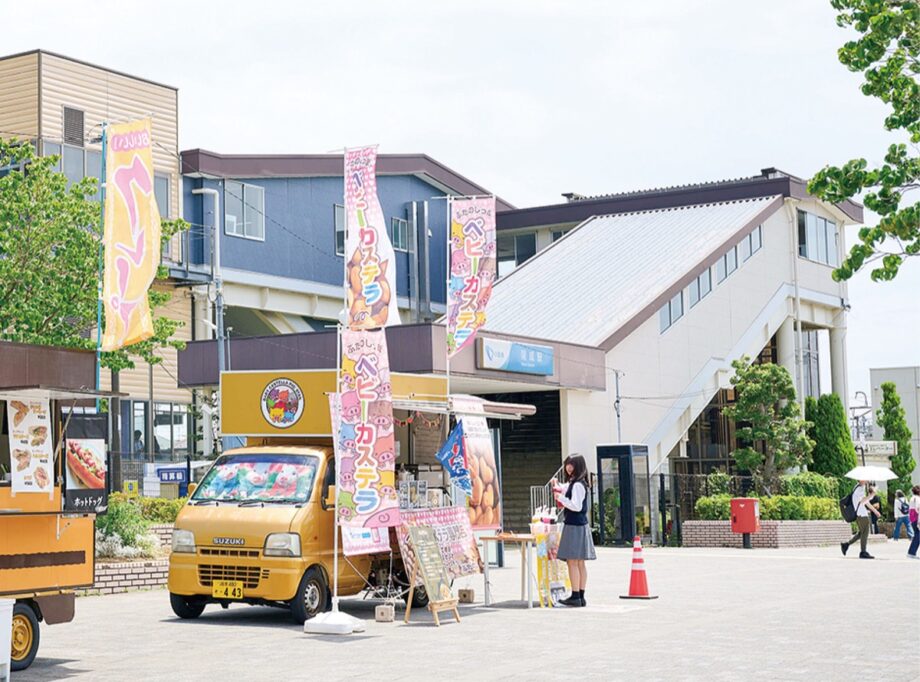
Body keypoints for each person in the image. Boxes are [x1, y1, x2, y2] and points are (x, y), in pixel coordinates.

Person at [553, 454, 596, 607]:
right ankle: (580, 596)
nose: (568, 467)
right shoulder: (579, 483)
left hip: (574, 526)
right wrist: (559, 487)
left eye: (572, 465)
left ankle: (575, 595)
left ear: (579, 466)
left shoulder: (577, 484)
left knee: (572, 562)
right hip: (581, 525)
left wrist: (561, 498)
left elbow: (576, 506)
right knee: (580, 563)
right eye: (567, 464)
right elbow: (567, 489)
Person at [840, 480, 881, 559]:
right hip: (861, 514)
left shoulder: (858, 487)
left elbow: (865, 502)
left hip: (860, 514)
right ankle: (863, 552)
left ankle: (846, 545)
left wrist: (875, 511)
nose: (867, 480)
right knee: (865, 532)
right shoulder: (860, 488)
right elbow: (863, 501)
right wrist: (872, 494)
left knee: (861, 533)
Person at [908, 485, 920, 559]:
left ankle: (911, 552)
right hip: (917, 517)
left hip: (912, 518)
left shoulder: (912, 498)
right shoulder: (917, 498)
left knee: (917, 535)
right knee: (918, 535)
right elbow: (917, 508)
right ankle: (911, 552)